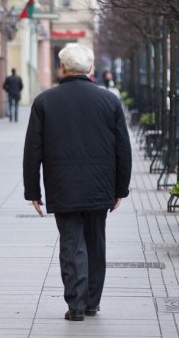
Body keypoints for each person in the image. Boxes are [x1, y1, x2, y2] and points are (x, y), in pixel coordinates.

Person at [23, 44, 132, 321]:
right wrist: (121, 188)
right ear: (91, 68)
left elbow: (32, 149)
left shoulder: (45, 101)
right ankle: (92, 302)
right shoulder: (109, 101)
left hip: (63, 185)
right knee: (96, 243)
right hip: (100, 185)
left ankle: (76, 304)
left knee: (71, 244)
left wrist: (33, 191)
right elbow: (123, 149)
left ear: (62, 68)